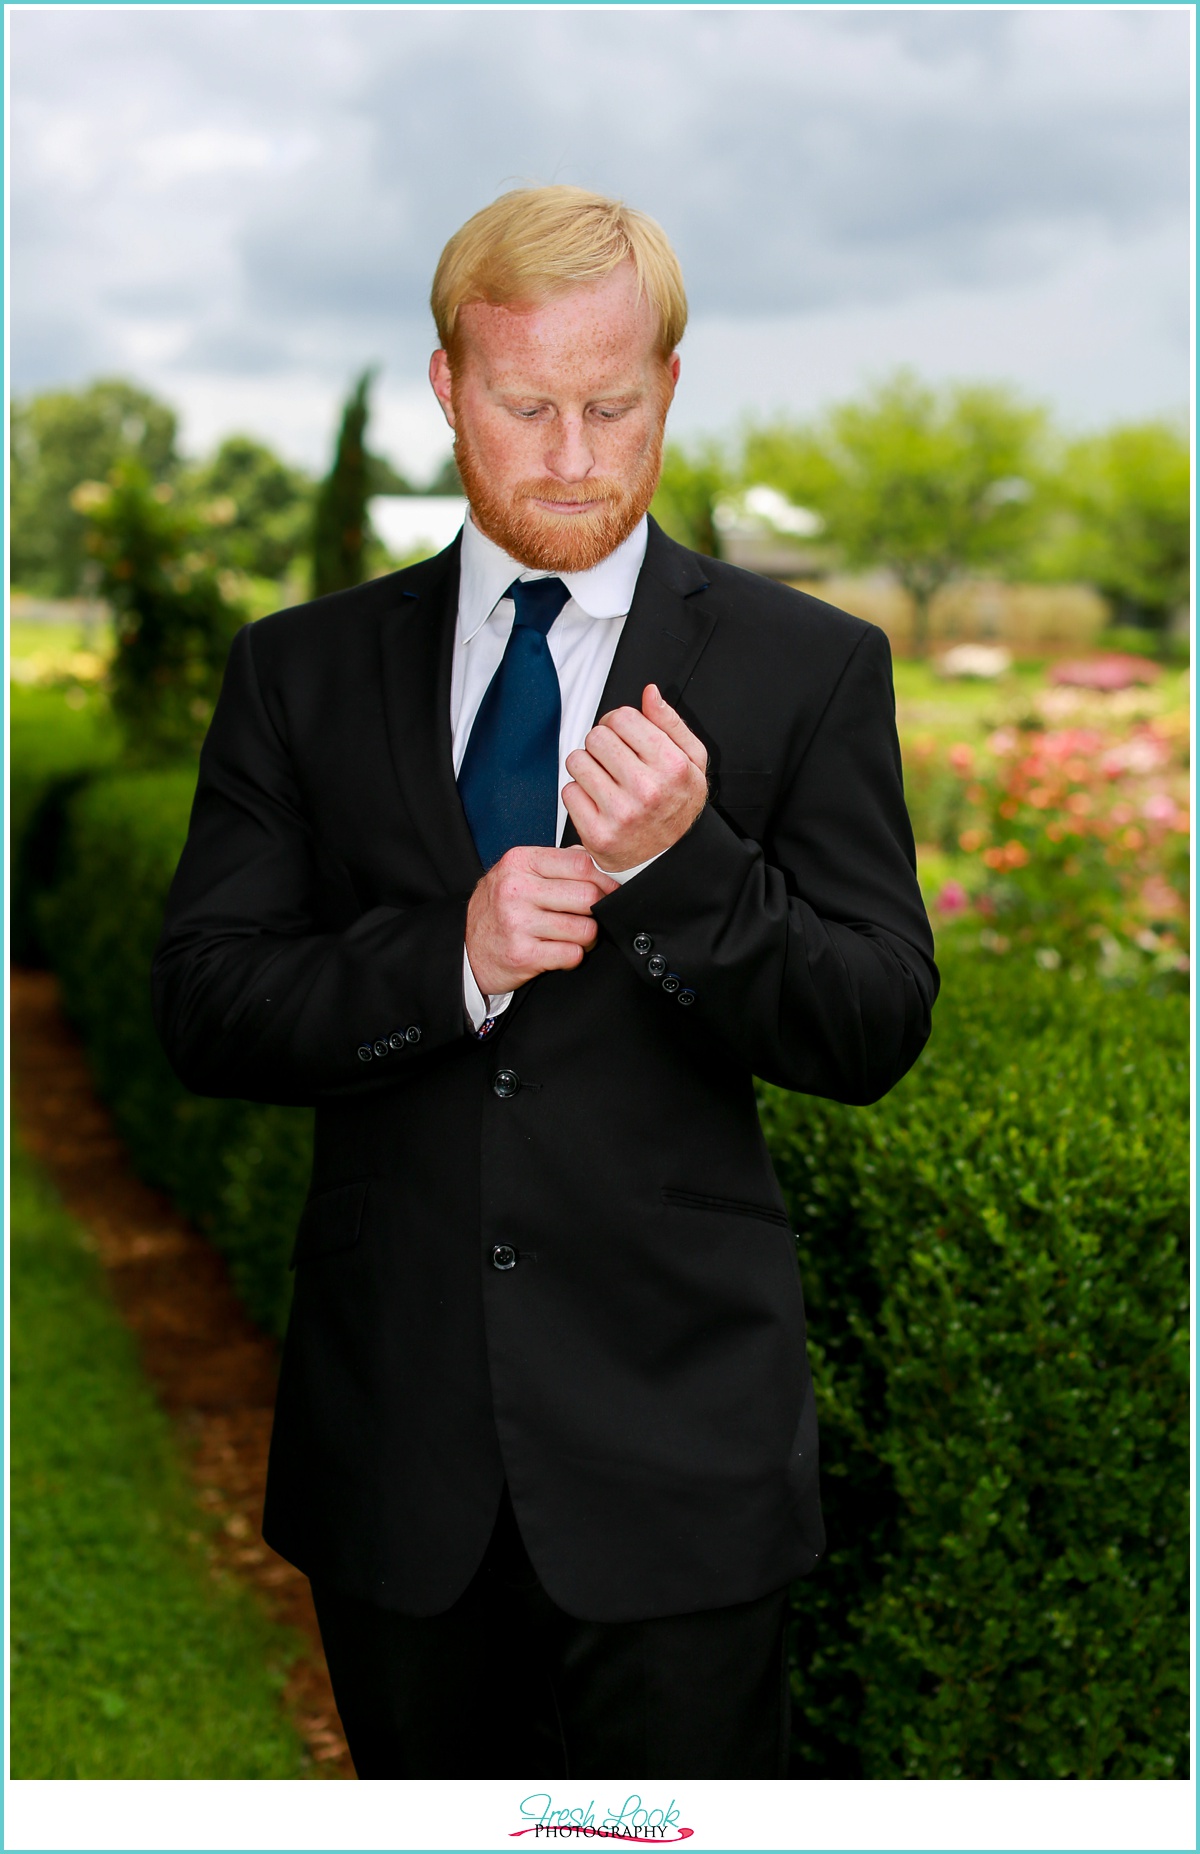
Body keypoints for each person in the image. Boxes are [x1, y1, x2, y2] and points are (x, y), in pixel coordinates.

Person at [152, 185, 938, 1780]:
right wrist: (448, 955)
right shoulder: (296, 671)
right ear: (448, 389)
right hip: (394, 1456)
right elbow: (207, 1001)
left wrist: (686, 865)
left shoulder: (811, 666)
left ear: (667, 388)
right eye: (526, 406)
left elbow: (874, 1023)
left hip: (683, 1462)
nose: (575, 453)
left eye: (614, 405)